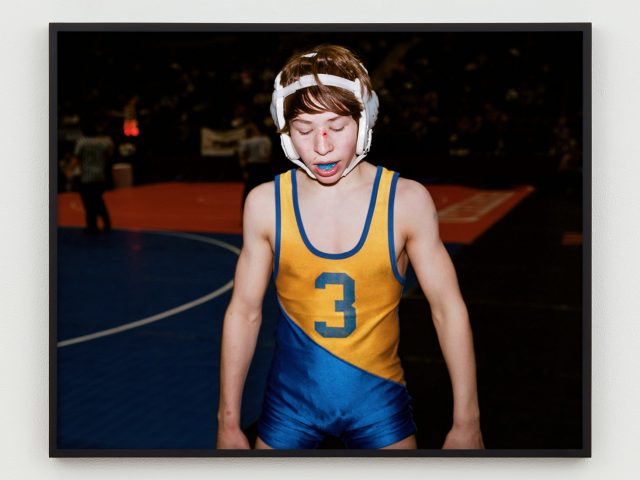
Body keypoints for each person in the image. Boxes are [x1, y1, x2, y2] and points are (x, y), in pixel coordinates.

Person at [217, 45, 483, 450]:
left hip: (378, 406)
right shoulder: (265, 204)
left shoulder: (406, 202)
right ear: (284, 131)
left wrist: (468, 421)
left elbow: (448, 309)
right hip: (289, 406)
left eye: (336, 127)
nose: (321, 145)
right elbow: (244, 312)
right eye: (304, 130)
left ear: (365, 120)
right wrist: (228, 421)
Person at [69, 119, 114, 233]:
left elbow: (76, 158)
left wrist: (69, 170)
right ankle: (106, 222)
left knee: (89, 202)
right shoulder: (103, 142)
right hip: (100, 176)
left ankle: (92, 225)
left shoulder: (82, 142)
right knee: (98, 200)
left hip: (87, 177)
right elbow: (109, 154)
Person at [238, 122, 273, 206]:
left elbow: (243, 157)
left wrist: (244, 170)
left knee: (249, 190)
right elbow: (269, 154)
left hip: (253, 167)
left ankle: (246, 211)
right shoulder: (266, 139)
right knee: (265, 189)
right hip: (264, 167)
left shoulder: (246, 142)